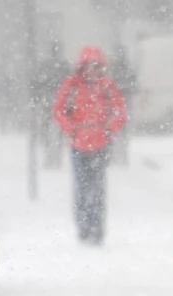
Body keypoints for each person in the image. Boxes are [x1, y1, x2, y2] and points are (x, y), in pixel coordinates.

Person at [53, 46, 128, 246]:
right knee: (81, 189)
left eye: (96, 66)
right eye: (88, 66)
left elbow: (120, 111)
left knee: (97, 189)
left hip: (100, 145)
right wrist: (72, 129)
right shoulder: (72, 85)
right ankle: (84, 228)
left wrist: (107, 129)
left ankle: (97, 229)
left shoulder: (106, 86)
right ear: (81, 67)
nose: (92, 71)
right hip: (78, 145)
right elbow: (59, 110)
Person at [32, 42, 72, 168]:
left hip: (50, 101)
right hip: (56, 101)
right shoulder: (63, 66)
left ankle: (51, 156)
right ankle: (54, 157)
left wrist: (38, 97)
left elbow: (38, 83)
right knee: (56, 129)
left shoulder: (47, 66)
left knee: (49, 129)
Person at [109, 45, 137, 166]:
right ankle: (123, 156)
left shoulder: (114, 68)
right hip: (124, 102)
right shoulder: (127, 67)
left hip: (116, 102)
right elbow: (132, 82)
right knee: (122, 130)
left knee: (113, 130)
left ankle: (116, 156)